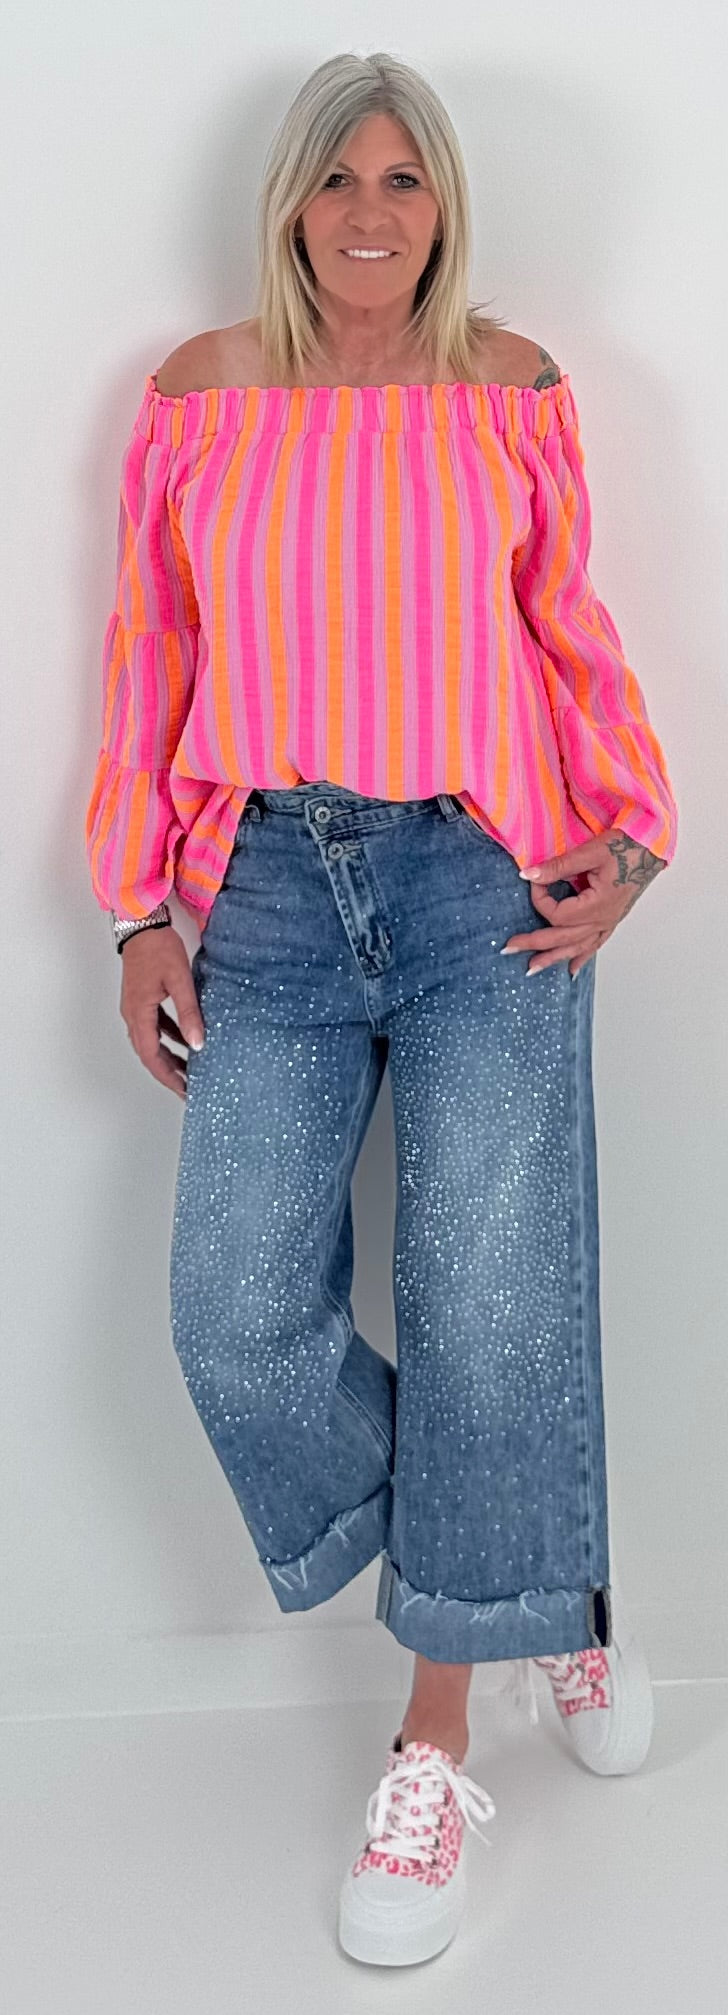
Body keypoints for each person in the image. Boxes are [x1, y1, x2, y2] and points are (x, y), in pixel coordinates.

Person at [84, 50, 678, 1970]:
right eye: (336, 178)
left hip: (482, 881)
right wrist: (138, 909)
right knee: (234, 1321)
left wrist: (635, 835)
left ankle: (437, 1740)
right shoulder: (200, 398)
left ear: (443, 207)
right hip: (265, 889)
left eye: (403, 179)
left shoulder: (510, 389)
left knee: (490, 1306)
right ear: (289, 202)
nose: (368, 212)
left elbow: (567, 629)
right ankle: (539, 1578)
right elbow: (153, 659)